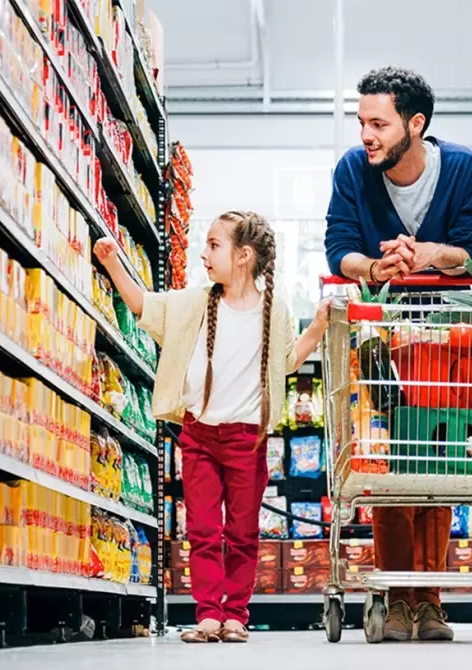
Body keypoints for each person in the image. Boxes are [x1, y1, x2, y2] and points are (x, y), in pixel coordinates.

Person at [95, 211, 329, 644]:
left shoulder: (273, 311)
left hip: (247, 439)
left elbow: (283, 364)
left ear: (243, 256)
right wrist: (112, 264)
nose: (204, 254)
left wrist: (316, 328)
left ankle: (236, 615)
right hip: (199, 435)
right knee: (202, 528)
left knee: (242, 531)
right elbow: (144, 305)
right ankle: (208, 614)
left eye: (214, 245)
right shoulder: (194, 303)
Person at [324, 66, 472, 642]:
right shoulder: (352, 170)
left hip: (449, 337)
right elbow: (339, 246)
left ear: (414, 124)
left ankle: (431, 599)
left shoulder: (464, 169)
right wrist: (373, 267)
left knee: (439, 462)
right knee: (391, 462)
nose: (366, 135)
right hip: (382, 335)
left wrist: (426, 255)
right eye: (362, 122)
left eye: (378, 122)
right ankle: (398, 597)